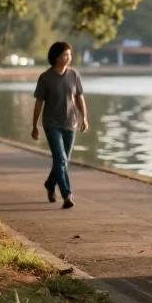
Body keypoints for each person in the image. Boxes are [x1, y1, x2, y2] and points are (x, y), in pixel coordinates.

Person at [31, 42, 88, 209]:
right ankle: (67, 194)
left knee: (63, 160)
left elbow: (79, 97)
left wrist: (84, 117)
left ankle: (50, 184)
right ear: (56, 57)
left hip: (70, 123)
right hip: (51, 124)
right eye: (65, 54)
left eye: (69, 54)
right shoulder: (45, 77)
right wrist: (34, 125)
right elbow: (39, 103)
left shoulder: (74, 75)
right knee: (61, 159)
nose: (69, 57)